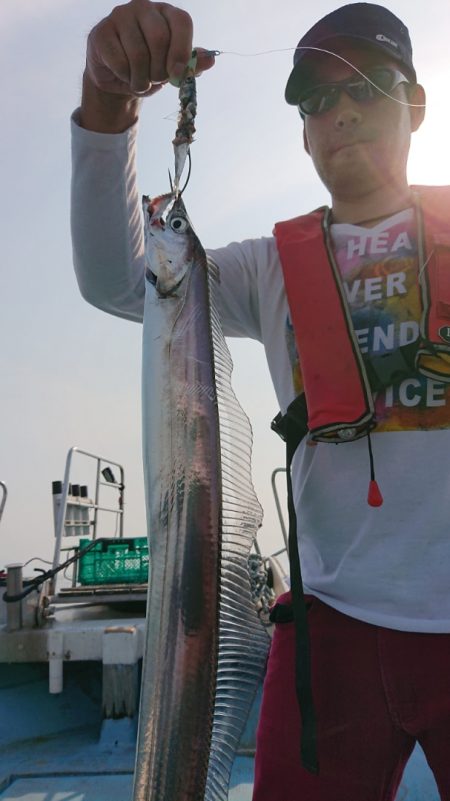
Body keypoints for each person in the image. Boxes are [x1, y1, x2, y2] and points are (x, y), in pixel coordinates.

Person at [71, 2, 450, 799]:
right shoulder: (268, 266)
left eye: (368, 85)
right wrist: (108, 105)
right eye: (316, 97)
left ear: (415, 105)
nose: (341, 110)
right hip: (331, 633)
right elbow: (118, 281)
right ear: (303, 133)